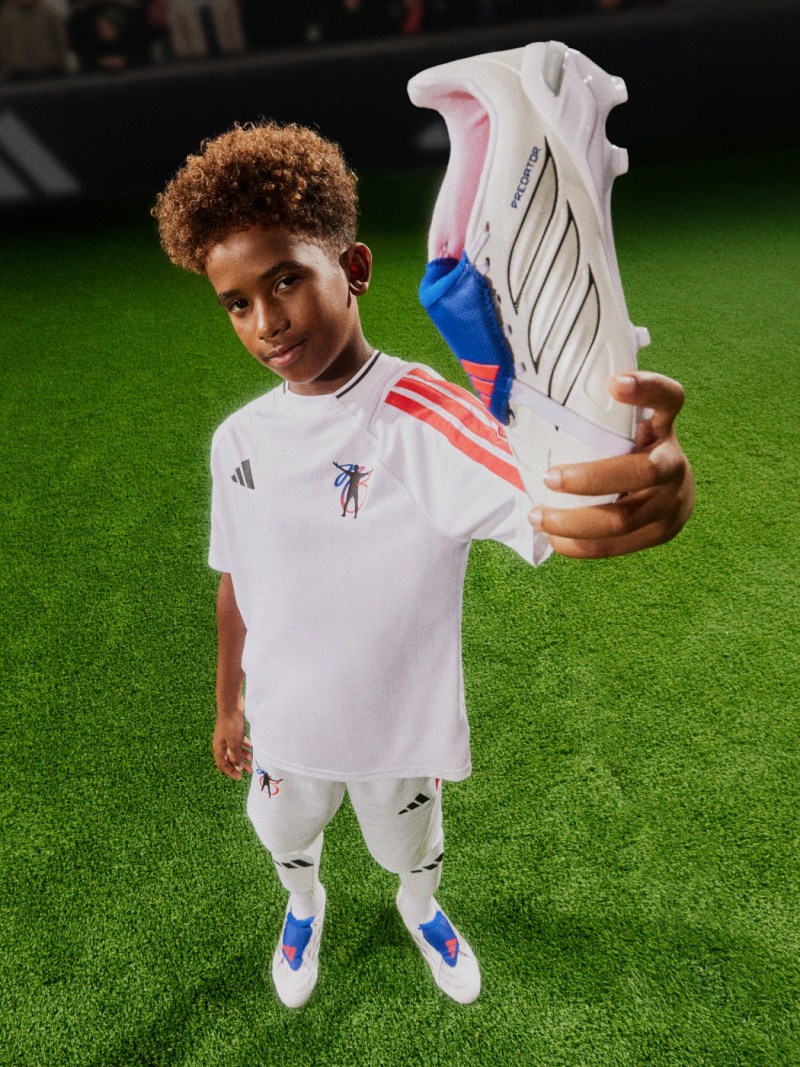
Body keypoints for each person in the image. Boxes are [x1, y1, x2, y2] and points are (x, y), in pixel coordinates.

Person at [152, 121, 694, 1009]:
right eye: (237, 302)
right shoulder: (237, 440)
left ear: (354, 268)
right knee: (283, 834)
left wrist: (649, 482)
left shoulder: (421, 415)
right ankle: (304, 904)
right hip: (285, 725)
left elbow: (562, 500)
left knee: (410, 849)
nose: (266, 320)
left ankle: (420, 907)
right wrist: (228, 704)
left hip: (396, 731)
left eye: (286, 278)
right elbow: (235, 576)